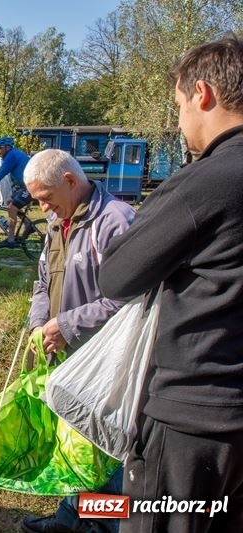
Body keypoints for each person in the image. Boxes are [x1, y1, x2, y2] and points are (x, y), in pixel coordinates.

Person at [98, 37, 243, 533]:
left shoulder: (208, 180)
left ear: (202, 94)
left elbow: (117, 274)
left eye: (178, 106)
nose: (180, 122)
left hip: (197, 419)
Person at [21, 149, 135, 533]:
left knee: (106, 450)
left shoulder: (115, 221)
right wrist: (40, 324)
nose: (41, 208)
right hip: (66, 355)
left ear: (71, 181)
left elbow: (131, 298)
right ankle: (69, 518)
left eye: (45, 197)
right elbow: (42, 282)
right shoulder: (58, 221)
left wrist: (67, 323)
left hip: (105, 360)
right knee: (73, 440)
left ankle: (104, 527)